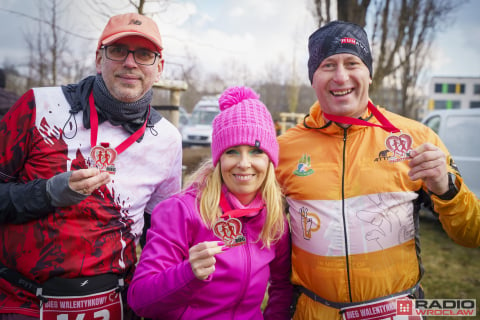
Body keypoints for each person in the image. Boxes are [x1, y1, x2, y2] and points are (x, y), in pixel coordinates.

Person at [275, 20, 480, 320]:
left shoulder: (416, 139)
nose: (341, 76)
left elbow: (472, 234)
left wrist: (446, 188)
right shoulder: (284, 150)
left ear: (368, 73)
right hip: (314, 312)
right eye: (328, 65)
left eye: (352, 63)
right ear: (313, 78)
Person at [0, 13, 182, 319]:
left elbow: (160, 238)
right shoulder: (38, 106)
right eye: (118, 50)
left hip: (113, 304)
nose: (130, 62)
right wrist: (47, 193)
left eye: (144, 54)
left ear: (159, 68)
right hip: (24, 302)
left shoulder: (167, 139)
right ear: (99, 59)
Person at [128, 86, 293, 319]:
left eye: (256, 151)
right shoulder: (181, 211)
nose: (244, 163)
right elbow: (140, 299)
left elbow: (283, 285)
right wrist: (187, 273)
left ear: (269, 159)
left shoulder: (274, 218)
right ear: (218, 158)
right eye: (232, 151)